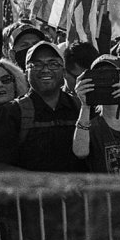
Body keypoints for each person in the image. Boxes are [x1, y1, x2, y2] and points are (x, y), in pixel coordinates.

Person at [12, 41, 95, 173]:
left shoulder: (80, 108)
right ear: (26, 72)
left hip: (77, 193)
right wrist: (46, 183)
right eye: (37, 64)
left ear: (63, 71)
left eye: (53, 64)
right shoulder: (12, 112)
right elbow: (0, 168)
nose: (46, 69)